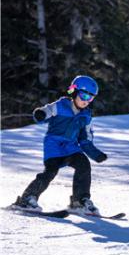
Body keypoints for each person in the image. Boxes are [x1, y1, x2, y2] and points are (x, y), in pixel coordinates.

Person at [13, 75, 107, 214]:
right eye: (84, 96)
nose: (86, 101)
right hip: (54, 146)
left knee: (83, 164)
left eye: (90, 98)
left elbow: (85, 139)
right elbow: (47, 111)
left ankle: (79, 201)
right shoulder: (61, 105)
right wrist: (40, 114)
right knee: (51, 171)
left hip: (71, 147)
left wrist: (96, 154)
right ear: (74, 92)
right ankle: (27, 198)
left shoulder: (86, 116)